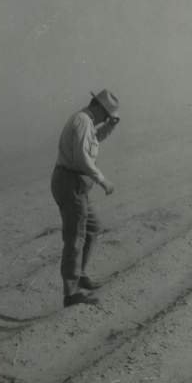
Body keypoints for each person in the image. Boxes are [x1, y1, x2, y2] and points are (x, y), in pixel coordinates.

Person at [51, 88, 120, 307]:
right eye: (106, 116)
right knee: (75, 237)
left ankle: (79, 274)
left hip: (77, 183)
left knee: (91, 227)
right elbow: (81, 156)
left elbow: (94, 140)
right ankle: (70, 294)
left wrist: (109, 127)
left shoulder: (88, 122)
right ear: (98, 107)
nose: (105, 119)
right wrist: (102, 180)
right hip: (70, 182)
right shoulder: (81, 121)